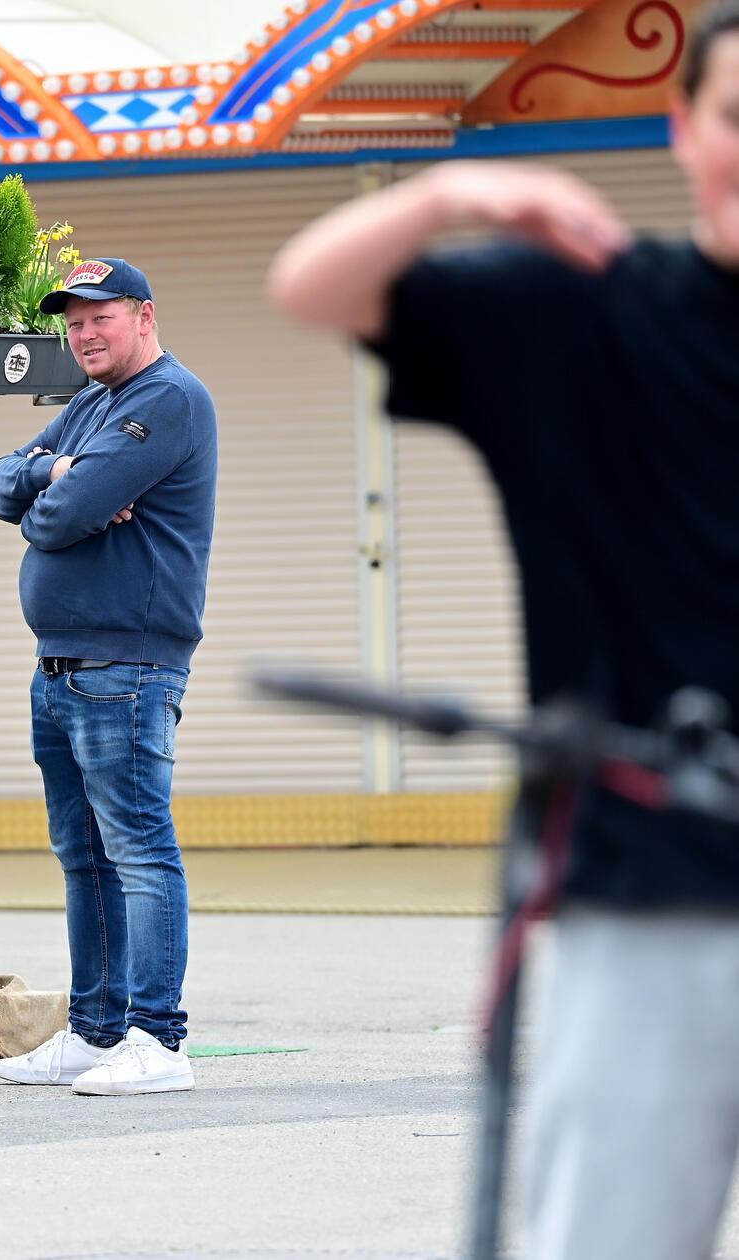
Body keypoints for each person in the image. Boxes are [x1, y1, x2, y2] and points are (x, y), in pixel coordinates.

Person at [267, 4, 739, 1254]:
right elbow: (312, 285)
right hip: (643, 894)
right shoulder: (580, 311)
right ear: (687, 128)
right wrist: (456, 193)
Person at [0, 258, 219, 1096]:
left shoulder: (169, 399)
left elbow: (62, 520)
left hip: (129, 664)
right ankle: (95, 1032)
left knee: (140, 851)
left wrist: (65, 492)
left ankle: (158, 1039)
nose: (83, 334)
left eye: (100, 318)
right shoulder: (90, 404)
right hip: (62, 666)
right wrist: (55, 470)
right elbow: (0, 484)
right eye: (72, 322)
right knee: (85, 858)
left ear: (144, 316)